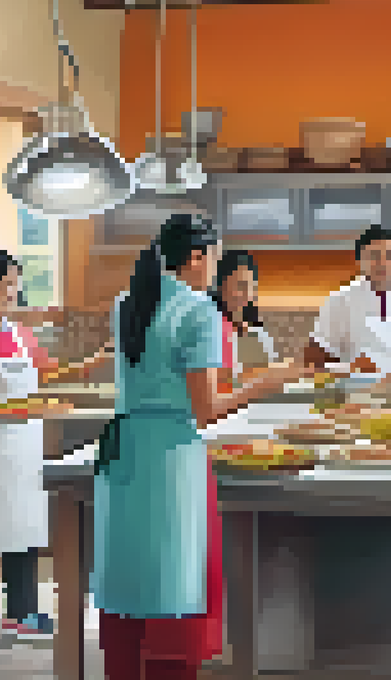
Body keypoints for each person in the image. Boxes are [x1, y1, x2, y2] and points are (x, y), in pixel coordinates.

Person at [94, 214, 309, 680]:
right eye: (213, 258)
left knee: (129, 579)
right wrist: (267, 382)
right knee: (171, 581)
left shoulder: (126, 303)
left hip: (124, 452)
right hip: (171, 458)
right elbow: (208, 408)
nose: (215, 271)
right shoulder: (198, 311)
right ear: (196, 258)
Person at [0, 247, 113, 658]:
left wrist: (88, 364)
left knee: (24, 527)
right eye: (5, 287)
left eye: (16, 285)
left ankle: (21, 613)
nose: (14, 294)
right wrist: (10, 408)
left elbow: (44, 369)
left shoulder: (21, 334)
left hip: (21, 446)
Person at [304, 225, 391, 389]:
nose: (382, 263)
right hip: (356, 393)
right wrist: (349, 369)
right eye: (374, 255)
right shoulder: (339, 300)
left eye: (388, 255)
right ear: (359, 260)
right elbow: (315, 355)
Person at [213, 250, 276, 393]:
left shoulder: (257, 335)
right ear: (220, 287)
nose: (247, 294)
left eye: (251, 287)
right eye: (240, 286)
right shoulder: (208, 331)